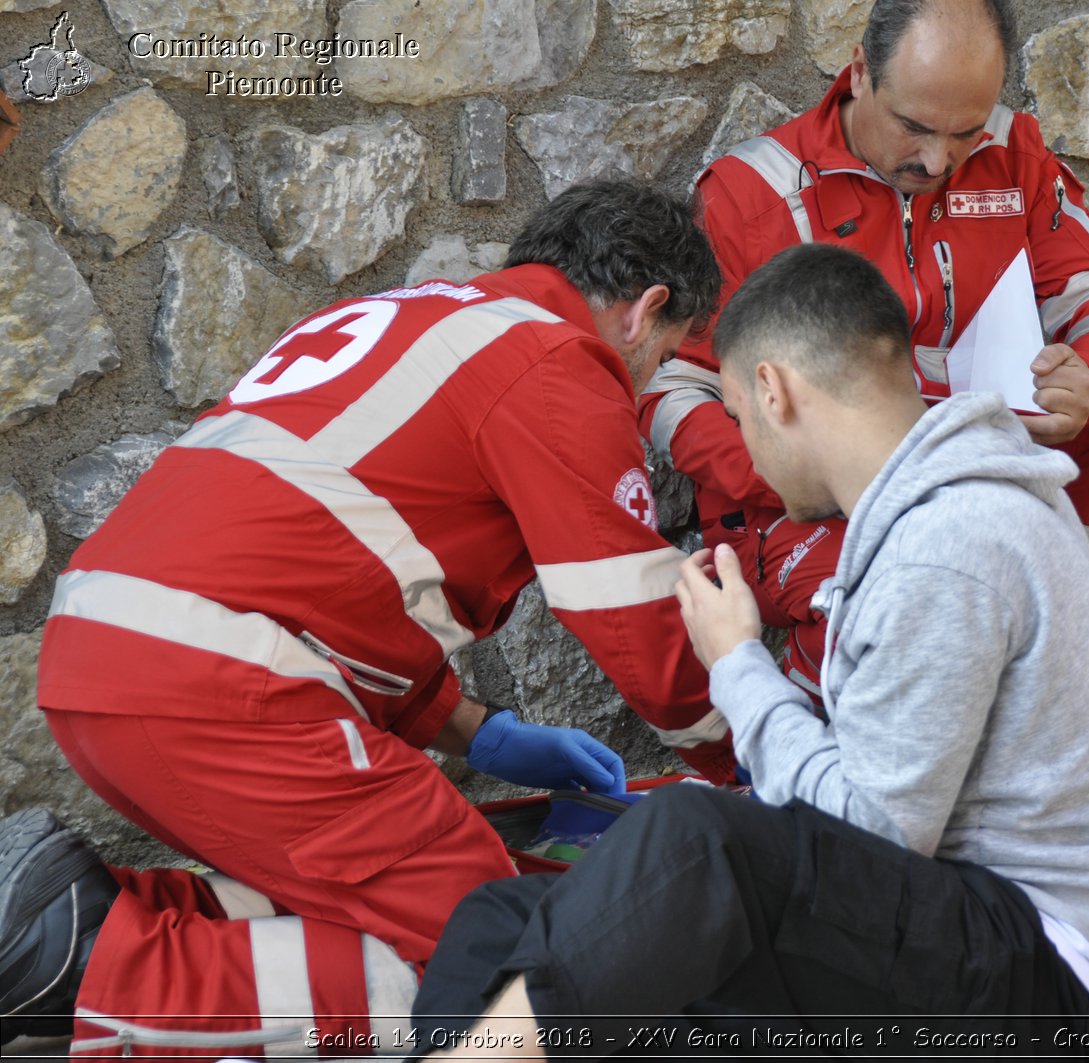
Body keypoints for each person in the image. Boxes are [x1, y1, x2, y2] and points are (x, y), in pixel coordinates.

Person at [0, 179, 732, 1056]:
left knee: (362, 892)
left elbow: (340, 572)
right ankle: (89, 980)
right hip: (221, 677)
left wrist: (479, 732)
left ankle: (76, 921)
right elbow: (633, 622)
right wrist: (749, 756)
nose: (644, 385)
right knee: (492, 945)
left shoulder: (412, 316)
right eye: (663, 357)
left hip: (111, 648)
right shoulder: (556, 358)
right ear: (644, 310)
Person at [410, 244, 1089, 1057]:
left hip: (1041, 983)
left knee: (697, 837)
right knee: (503, 918)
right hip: (931, 939)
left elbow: (872, 834)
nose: (747, 452)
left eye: (736, 415)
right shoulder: (935, 515)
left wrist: (737, 663)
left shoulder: (952, 541)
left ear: (772, 389)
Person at [640, 0, 1089, 700]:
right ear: (858, 72)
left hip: (976, 469)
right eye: (913, 126)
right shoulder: (750, 194)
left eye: (964, 132)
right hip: (813, 502)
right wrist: (807, 475)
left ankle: (1076, 664)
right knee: (881, 678)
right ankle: (824, 705)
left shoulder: (1013, 149)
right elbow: (672, 387)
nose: (937, 159)